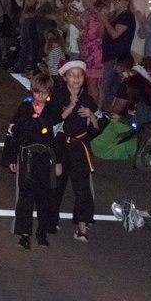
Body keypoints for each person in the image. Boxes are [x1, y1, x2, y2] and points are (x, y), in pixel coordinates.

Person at [1, 72, 62, 249]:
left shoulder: (54, 109)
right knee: (25, 196)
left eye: (44, 93)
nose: (40, 96)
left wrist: (58, 162)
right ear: (32, 91)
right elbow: (13, 133)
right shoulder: (24, 108)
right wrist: (11, 157)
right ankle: (24, 234)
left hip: (46, 157)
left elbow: (58, 137)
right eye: (37, 92)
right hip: (26, 157)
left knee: (46, 195)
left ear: (49, 92)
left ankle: (42, 231)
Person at [50, 61, 100, 242]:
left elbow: (96, 129)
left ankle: (82, 226)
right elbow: (50, 123)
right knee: (57, 183)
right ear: (64, 78)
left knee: (82, 187)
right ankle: (51, 218)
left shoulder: (88, 100)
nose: (76, 78)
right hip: (61, 145)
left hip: (80, 146)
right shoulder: (56, 97)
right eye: (72, 75)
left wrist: (92, 117)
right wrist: (69, 107)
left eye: (80, 75)